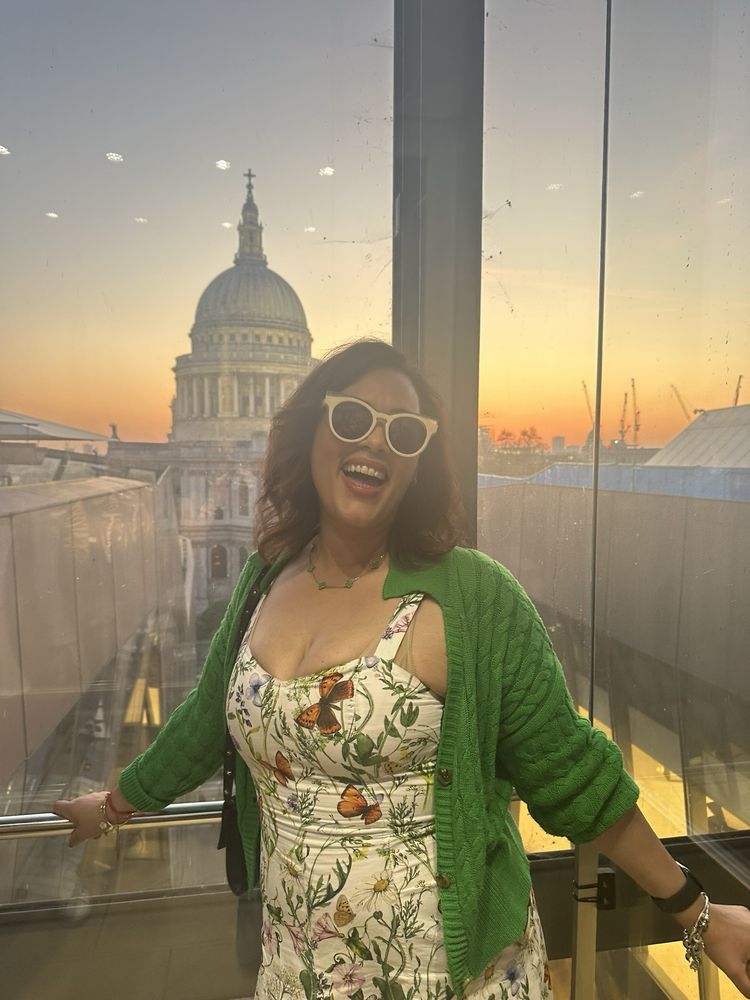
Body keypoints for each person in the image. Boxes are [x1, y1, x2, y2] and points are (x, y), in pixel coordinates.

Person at [54, 339, 750, 999]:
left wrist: (698, 913)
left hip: (451, 978)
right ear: (313, 432)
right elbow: (206, 719)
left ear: (419, 466)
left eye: (405, 433)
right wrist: (113, 805)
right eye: (353, 418)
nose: (376, 442)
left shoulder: (473, 596)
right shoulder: (265, 576)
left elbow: (573, 776)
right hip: (297, 968)